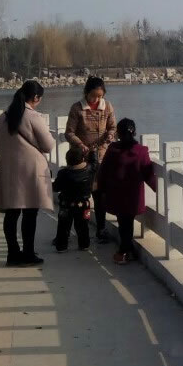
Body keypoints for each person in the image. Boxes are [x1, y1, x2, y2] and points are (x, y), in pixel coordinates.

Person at [0, 79, 54, 266]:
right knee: (30, 213)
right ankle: (28, 253)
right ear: (36, 97)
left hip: (9, 171)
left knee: (11, 214)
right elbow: (48, 145)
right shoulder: (33, 117)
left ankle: (12, 254)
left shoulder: (2, 117)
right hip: (31, 171)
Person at [64, 76, 117, 242]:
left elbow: (113, 127)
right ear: (86, 92)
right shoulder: (77, 108)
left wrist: (110, 135)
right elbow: (69, 133)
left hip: (101, 157)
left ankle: (101, 229)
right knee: (78, 197)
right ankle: (74, 232)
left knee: (100, 195)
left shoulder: (107, 106)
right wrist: (80, 144)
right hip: (81, 158)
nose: (97, 99)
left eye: (100, 96)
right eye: (94, 95)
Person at [96, 118, 156, 264]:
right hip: (133, 196)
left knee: (124, 223)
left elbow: (103, 171)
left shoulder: (112, 148)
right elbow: (148, 174)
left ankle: (125, 251)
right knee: (127, 223)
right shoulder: (141, 151)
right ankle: (125, 251)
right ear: (134, 132)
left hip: (115, 194)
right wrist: (160, 190)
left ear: (118, 133)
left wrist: (101, 190)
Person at [52, 146, 92, 252]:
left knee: (63, 225)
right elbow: (94, 163)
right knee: (83, 225)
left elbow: (56, 188)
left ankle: (61, 246)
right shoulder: (89, 170)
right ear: (82, 159)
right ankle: (84, 244)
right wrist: (92, 151)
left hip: (66, 204)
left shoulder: (63, 173)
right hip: (84, 204)